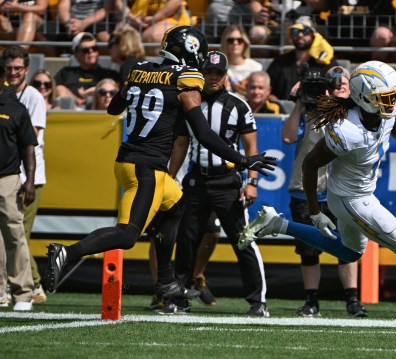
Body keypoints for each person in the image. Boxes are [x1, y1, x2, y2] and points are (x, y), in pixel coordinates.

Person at [42, 26, 277, 313]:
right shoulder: (185, 79)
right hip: (146, 168)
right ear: (191, 50)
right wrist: (242, 160)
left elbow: (113, 109)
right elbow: (203, 134)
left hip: (131, 161)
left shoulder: (140, 69)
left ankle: (166, 283)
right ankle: (68, 253)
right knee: (128, 235)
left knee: (175, 206)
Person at [240, 61, 396, 330]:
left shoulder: (379, 110)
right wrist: (315, 211)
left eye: (393, 96)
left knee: (349, 252)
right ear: (365, 98)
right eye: (385, 98)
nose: (392, 103)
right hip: (351, 199)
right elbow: (310, 164)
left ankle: (278, 224)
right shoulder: (347, 131)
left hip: (359, 194)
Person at [170, 51, 269, 316]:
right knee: (186, 240)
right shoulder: (190, 102)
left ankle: (258, 301)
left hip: (227, 182)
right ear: (201, 73)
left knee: (243, 240)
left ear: (225, 75)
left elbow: (251, 147)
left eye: (218, 73)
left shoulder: (238, 105)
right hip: (197, 180)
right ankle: (180, 296)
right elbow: (181, 143)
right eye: (209, 72)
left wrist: (253, 182)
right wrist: (169, 178)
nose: (213, 77)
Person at [281, 65, 367, 318]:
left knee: (348, 246)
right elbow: (287, 137)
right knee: (309, 250)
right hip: (306, 191)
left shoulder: (358, 113)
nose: (340, 84)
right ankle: (311, 301)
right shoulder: (310, 111)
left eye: (345, 81)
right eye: (334, 81)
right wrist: (299, 102)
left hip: (342, 190)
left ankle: (352, 300)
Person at [2, 46, 48, 305]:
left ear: (26, 70)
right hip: (7, 173)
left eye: (18, 68)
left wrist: (29, 181)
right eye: (9, 68)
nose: (13, 72)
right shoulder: (6, 95)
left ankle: (33, 285)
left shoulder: (33, 97)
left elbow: (30, 138)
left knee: (18, 233)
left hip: (29, 175)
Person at [0, 61, 37, 311]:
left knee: (14, 235)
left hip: (7, 178)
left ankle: (23, 293)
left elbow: (28, 147)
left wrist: (30, 180)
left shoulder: (15, 107)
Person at [266, 16, 338, 100]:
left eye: (306, 31)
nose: (300, 35)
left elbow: (337, 88)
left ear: (313, 35)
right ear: (291, 36)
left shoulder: (325, 62)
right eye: (295, 31)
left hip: (317, 110)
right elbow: (267, 89)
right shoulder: (279, 62)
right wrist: (278, 104)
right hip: (284, 111)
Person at [54, 32, 120, 110]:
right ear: (76, 53)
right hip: (72, 114)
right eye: (86, 50)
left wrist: (95, 91)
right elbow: (53, 90)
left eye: (94, 48)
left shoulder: (110, 74)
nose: (91, 52)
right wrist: (75, 99)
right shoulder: (66, 73)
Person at [115, 0, 193, 56]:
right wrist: (130, 17)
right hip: (138, 21)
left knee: (154, 35)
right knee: (120, 33)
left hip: (172, 20)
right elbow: (119, 2)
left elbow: (177, 1)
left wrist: (154, 19)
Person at [219, 24, 263, 97]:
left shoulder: (256, 68)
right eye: (231, 40)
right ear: (225, 43)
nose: (235, 43)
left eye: (240, 40)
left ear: (245, 43)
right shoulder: (219, 67)